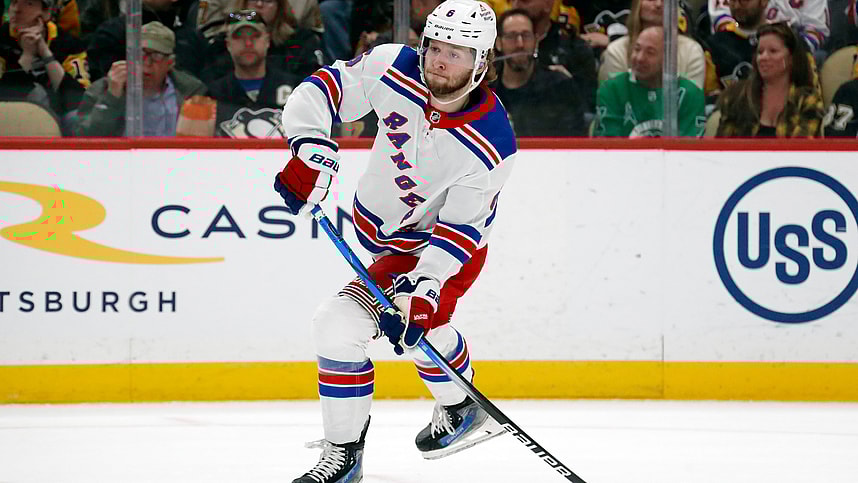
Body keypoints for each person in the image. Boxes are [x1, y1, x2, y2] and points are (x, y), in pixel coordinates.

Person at [273, 0, 516, 481]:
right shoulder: (393, 67)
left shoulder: (492, 144)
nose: (441, 60)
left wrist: (425, 288)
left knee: (343, 324)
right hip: (392, 241)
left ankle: (344, 457)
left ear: (481, 63)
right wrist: (308, 146)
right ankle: (462, 404)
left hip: (443, 250)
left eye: (458, 52)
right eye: (436, 46)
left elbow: (461, 228)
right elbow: (321, 90)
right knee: (399, 321)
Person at [178, 9, 302, 137]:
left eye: (255, 36)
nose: (248, 44)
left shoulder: (297, 89)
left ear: (267, 41)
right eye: (239, 37)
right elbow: (190, 150)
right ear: (228, 44)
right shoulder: (210, 95)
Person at [74, 21, 206, 136]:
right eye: (141, 54)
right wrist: (112, 98)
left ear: (170, 63)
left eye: (157, 56)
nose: (147, 63)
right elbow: (86, 138)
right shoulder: (102, 89)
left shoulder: (191, 91)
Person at [716, 22, 824, 137]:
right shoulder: (736, 97)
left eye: (773, 51)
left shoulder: (807, 100)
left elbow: (802, 149)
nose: (763, 57)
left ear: (791, 59)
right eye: (760, 52)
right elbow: (722, 148)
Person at [491, 7, 587, 136]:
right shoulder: (485, 91)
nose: (520, 44)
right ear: (498, 43)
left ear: (536, 41)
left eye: (526, 36)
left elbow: (575, 142)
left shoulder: (560, 87)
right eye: (511, 36)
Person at [595, 25, 705, 136]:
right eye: (637, 49)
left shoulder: (691, 94)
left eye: (650, 52)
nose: (639, 58)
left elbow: (689, 148)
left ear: (668, 58)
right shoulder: (612, 89)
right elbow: (608, 145)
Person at [1, 0, 88, 124]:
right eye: (14, 2)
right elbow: (4, 99)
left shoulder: (68, 44)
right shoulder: (2, 39)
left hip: (57, 119)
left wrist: (45, 52)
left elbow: (79, 99)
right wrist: (27, 56)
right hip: (10, 119)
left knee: (75, 118)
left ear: (46, 12)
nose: (16, 9)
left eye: (28, 3)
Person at [599, 0, 706, 90]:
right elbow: (614, 100)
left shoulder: (692, 50)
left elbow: (692, 102)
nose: (659, 4)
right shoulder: (616, 50)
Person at [510, 0, 597, 109]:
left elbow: (589, 106)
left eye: (525, 1)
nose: (516, 4)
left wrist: (568, 85)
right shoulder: (496, 45)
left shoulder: (574, 48)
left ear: (548, 3)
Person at [708, 0, 829, 54]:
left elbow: (815, 30)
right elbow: (723, 20)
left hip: (791, 47)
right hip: (736, 47)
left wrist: (792, 52)